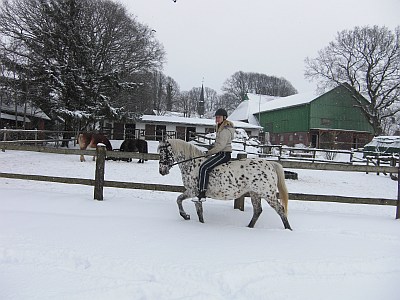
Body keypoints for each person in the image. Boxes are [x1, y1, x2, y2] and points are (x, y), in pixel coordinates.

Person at [195, 108, 235, 202]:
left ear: (224, 118)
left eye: (219, 117)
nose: (217, 119)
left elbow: (221, 146)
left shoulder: (225, 130)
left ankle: (202, 193)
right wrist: (211, 147)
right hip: (221, 153)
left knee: (204, 167)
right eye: (216, 117)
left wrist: (209, 152)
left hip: (224, 154)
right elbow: (218, 143)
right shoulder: (221, 128)